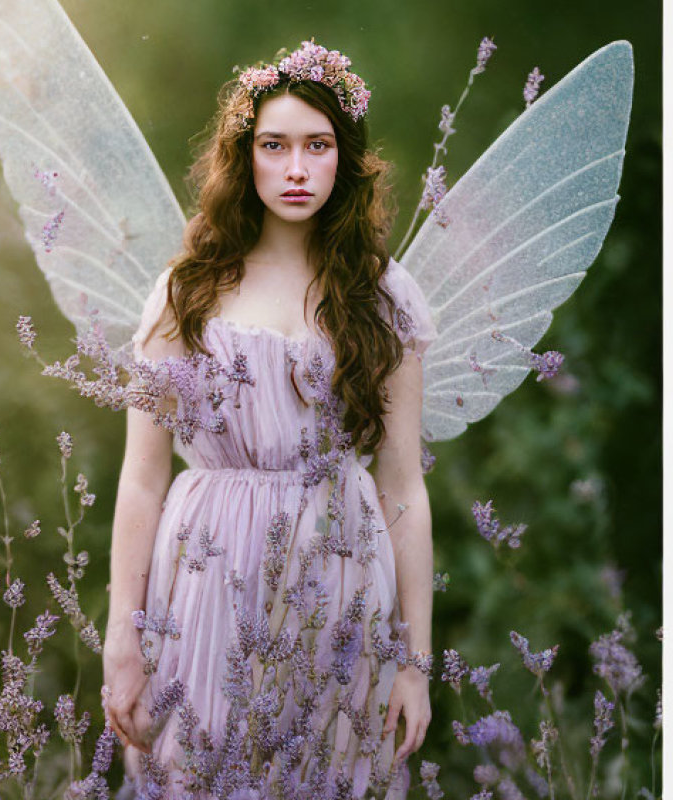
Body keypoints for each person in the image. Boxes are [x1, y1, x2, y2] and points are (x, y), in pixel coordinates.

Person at [100, 41, 436, 799]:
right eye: (273, 145)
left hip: (341, 577)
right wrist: (124, 630)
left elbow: (405, 491)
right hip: (205, 577)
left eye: (317, 146)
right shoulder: (186, 292)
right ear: (243, 158)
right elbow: (143, 477)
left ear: (343, 161)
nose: (294, 168)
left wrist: (414, 663)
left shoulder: (385, 299)